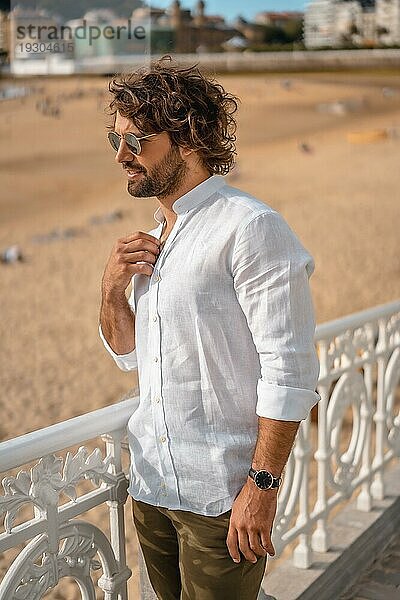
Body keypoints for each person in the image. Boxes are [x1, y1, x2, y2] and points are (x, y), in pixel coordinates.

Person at [99, 57, 320, 600]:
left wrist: (262, 484)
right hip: (152, 488)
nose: (123, 156)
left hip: (221, 493)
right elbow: (131, 355)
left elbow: (289, 367)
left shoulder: (250, 227)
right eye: (116, 139)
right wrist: (110, 289)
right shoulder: (155, 238)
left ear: (188, 138)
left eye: (138, 140)